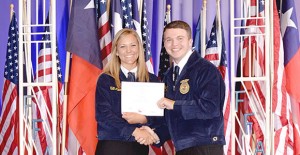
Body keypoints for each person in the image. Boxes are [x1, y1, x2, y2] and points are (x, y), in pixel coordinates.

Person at [157, 20, 226, 155]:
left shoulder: (206, 70)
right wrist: (155, 134)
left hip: (205, 146)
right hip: (183, 147)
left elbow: (210, 108)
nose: (174, 44)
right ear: (164, 44)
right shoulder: (168, 75)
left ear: (190, 42)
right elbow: (170, 116)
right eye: (168, 40)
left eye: (180, 38)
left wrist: (174, 104)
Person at [95, 28, 161, 155]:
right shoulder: (106, 79)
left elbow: (159, 116)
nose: (129, 51)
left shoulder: (152, 80)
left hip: (140, 145)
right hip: (112, 145)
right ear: (116, 52)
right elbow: (103, 116)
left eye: (133, 45)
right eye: (123, 46)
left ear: (139, 49)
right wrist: (134, 131)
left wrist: (144, 119)